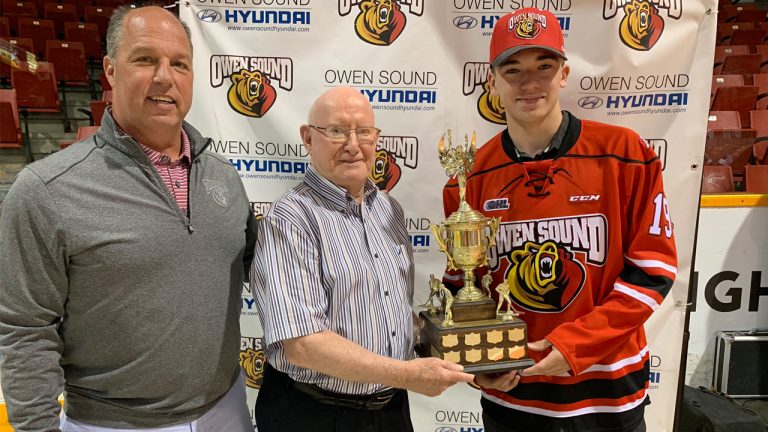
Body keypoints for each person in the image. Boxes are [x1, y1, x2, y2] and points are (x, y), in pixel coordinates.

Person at [0, 6, 256, 431]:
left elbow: (264, 273)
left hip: (226, 409)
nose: (164, 77)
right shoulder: (46, 191)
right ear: (111, 71)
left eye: (179, 63)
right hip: (114, 423)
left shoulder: (224, 177)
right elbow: (25, 330)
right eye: (145, 59)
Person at [441, 8, 678, 432]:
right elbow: (465, 286)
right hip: (513, 395)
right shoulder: (470, 177)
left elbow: (653, 273)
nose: (529, 82)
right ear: (491, 82)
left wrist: (571, 345)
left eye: (543, 66)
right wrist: (477, 361)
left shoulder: (625, 153)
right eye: (512, 69)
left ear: (564, 73)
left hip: (609, 395)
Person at [250, 86, 474, 432]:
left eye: (364, 132)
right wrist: (407, 374)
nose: (353, 145)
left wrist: (468, 355)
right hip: (314, 414)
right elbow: (302, 344)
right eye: (337, 131)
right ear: (308, 138)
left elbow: (394, 311)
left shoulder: (388, 210)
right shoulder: (290, 219)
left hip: (390, 411)